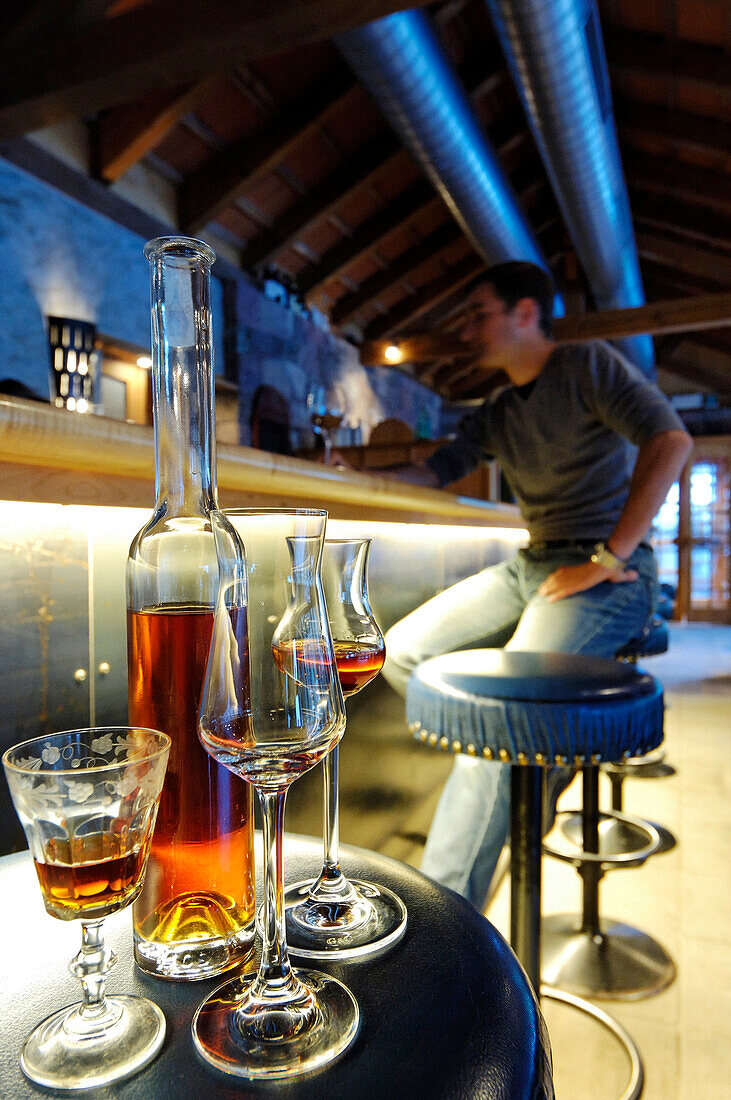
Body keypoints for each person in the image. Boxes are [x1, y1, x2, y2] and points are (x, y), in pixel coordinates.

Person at [381, 261, 692, 910]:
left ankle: (448, 928)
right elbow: (438, 469)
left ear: (525, 312)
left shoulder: (585, 366)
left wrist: (610, 554)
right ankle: (529, 753)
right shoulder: (495, 410)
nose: (467, 331)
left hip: (607, 572)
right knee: (401, 652)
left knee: (500, 725)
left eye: (478, 314)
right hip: (533, 564)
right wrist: (342, 473)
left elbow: (669, 440)